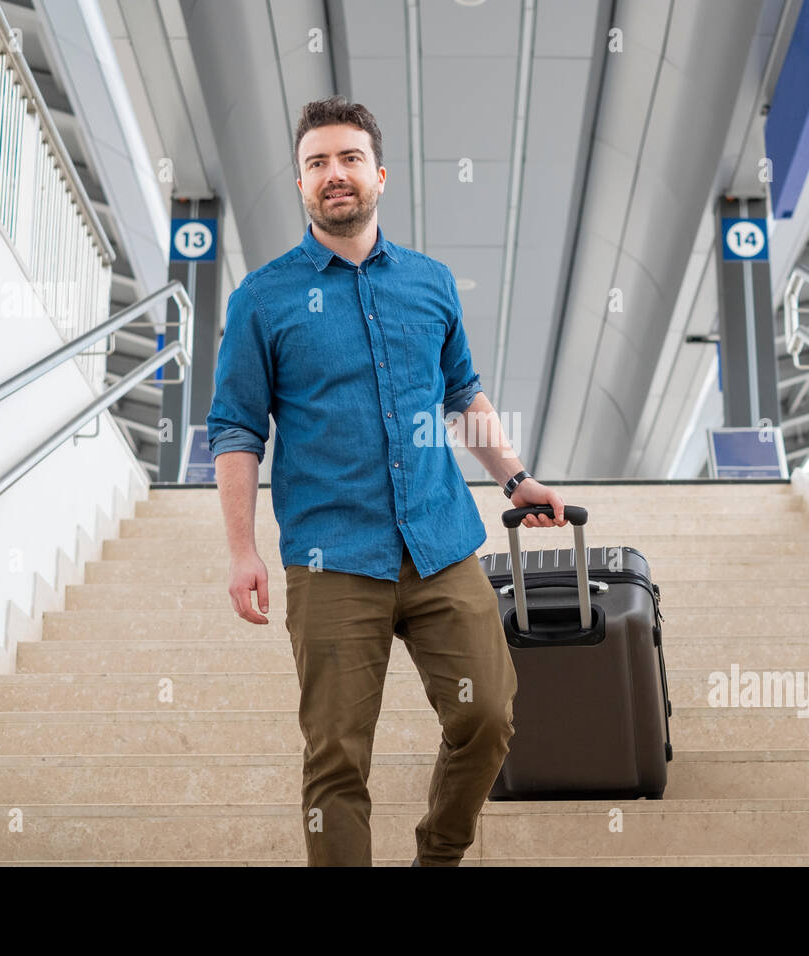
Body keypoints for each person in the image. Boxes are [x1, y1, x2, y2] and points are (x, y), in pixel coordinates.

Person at [206, 95, 567, 866]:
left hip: (439, 544)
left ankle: (437, 853)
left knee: (489, 715)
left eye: (348, 159)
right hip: (333, 559)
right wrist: (242, 550)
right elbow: (236, 431)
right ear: (300, 184)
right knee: (336, 759)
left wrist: (515, 479)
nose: (333, 175)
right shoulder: (262, 300)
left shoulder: (431, 284)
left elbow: (461, 392)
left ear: (379, 175)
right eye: (316, 164)